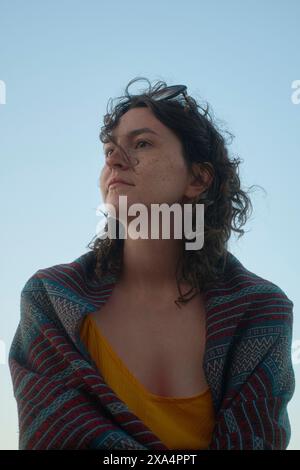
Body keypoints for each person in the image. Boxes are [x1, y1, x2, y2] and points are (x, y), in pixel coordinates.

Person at [9, 77, 295, 450]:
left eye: (141, 143)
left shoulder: (260, 312)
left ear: (197, 178)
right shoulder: (49, 300)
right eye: (109, 149)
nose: (114, 158)